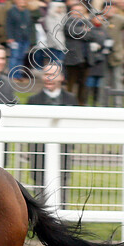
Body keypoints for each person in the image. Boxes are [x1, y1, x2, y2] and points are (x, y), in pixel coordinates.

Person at [27, 62, 77, 204]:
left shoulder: (71, 100)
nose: (49, 78)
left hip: (63, 153)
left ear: (61, 77)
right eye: (46, 74)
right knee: (40, 192)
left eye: (53, 75)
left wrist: (70, 148)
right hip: (39, 154)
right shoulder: (33, 101)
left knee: (62, 189)